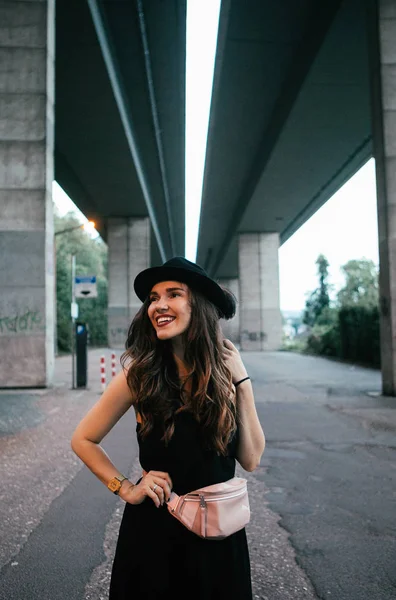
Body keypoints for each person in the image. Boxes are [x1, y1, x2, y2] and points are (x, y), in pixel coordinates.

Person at [71, 256, 265, 599]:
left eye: (173, 294)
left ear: (199, 307)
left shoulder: (225, 377)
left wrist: (243, 384)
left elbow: (250, 459)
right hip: (156, 539)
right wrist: (126, 488)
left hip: (221, 537)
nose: (158, 305)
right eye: (153, 298)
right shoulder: (139, 377)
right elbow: (83, 439)